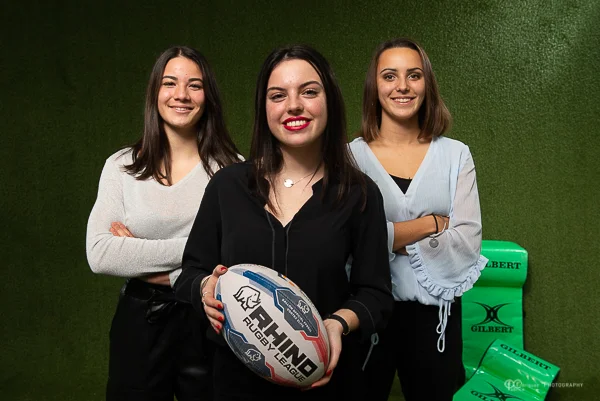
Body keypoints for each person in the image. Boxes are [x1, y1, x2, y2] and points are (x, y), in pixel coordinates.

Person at [174, 44, 393, 401]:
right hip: (236, 386)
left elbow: (377, 294)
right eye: (278, 95)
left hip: (327, 386)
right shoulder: (227, 187)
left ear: (330, 102)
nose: (293, 105)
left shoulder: (359, 194)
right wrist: (205, 288)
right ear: (264, 109)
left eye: (309, 92)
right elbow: (189, 273)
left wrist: (337, 324)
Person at [86, 46, 240, 401]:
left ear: (208, 96)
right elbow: (100, 253)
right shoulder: (121, 166)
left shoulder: (233, 171)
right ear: (155, 92)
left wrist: (137, 254)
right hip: (141, 321)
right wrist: (200, 253)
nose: (181, 95)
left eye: (194, 85)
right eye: (170, 83)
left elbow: (237, 257)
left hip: (211, 318)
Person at [349, 38, 488, 401]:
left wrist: (384, 239)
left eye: (414, 75)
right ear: (374, 85)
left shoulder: (456, 155)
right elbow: (347, 243)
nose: (403, 86)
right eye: (389, 76)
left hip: (435, 319)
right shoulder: (348, 159)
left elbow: (466, 243)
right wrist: (431, 224)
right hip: (365, 313)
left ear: (427, 84)